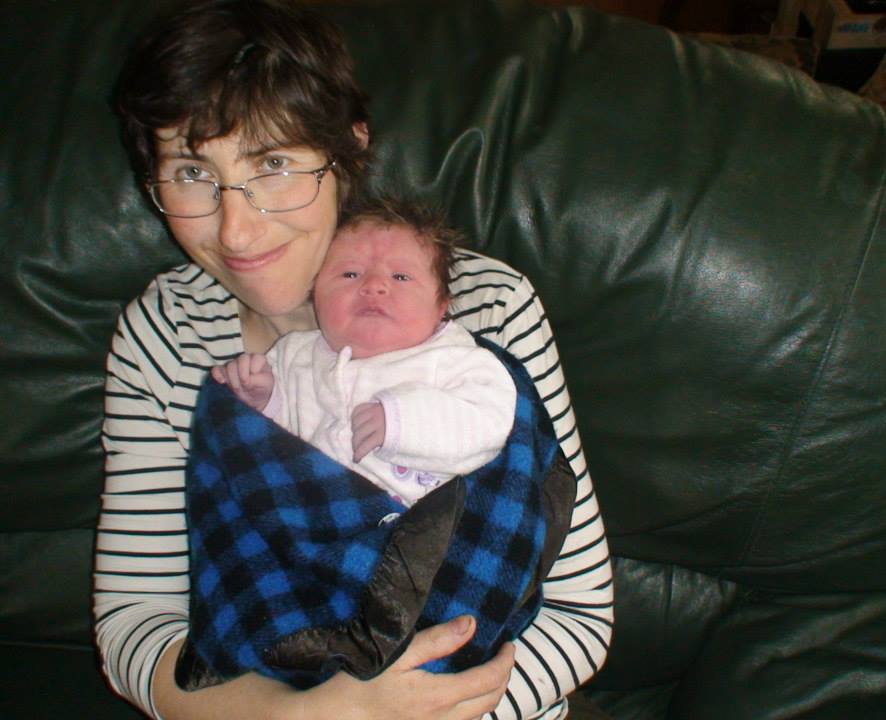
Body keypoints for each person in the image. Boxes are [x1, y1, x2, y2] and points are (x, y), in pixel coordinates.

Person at [94, 1, 613, 719]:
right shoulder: (167, 332)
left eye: (273, 163)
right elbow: (134, 630)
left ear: (348, 152)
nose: (236, 229)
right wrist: (303, 716)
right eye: (190, 171)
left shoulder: (483, 307)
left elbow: (579, 619)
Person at [212, 198, 518, 508]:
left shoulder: (457, 359)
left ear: (441, 307)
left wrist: (401, 422)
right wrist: (264, 400)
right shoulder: (293, 356)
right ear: (314, 294)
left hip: (419, 532)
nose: (374, 286)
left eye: (401, 277)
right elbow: (278, 444)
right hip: (312, 515)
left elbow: (491, 423)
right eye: (350, 274)